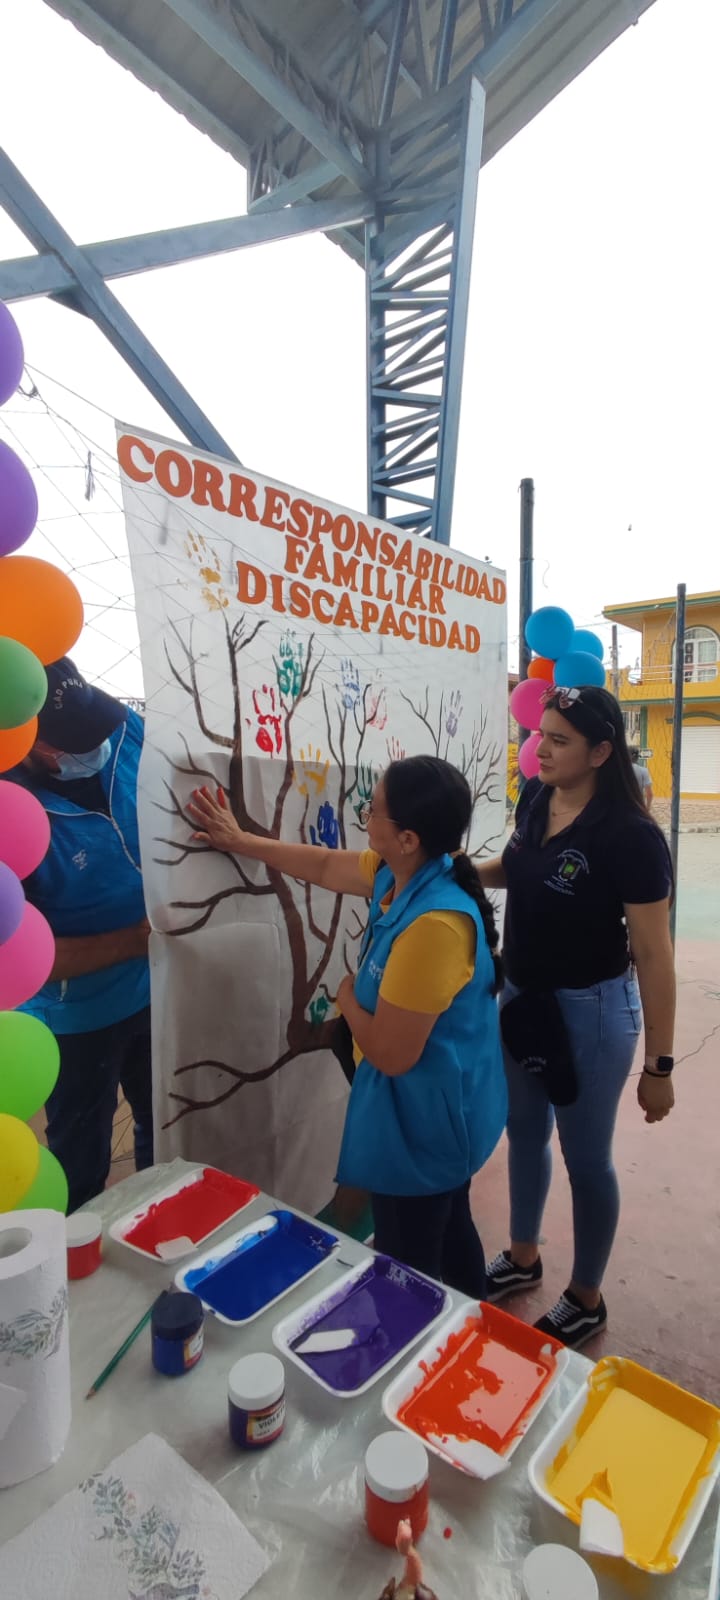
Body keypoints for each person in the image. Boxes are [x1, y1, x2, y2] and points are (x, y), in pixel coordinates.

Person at [188, 755, 507, 1298]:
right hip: (433, 1111)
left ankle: (425, 1340)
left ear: (407, 838)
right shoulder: (401, 873)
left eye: (372, 810)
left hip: (427, 1123)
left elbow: (392, 1054)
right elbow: (321, 864)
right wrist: (241, 841)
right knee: (451, 1226)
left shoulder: (435, 926)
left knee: (407, 1266)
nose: (364, 817)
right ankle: (478, 1324)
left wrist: (346, 998)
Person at [478, 684, 675, 1349]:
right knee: (524, 1134)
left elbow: (654, 956)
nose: (541, 749)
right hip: (522, 996)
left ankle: (586, 1298)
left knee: (586, 1160)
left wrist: (659, 1067)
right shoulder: (538, 796)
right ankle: (522, 1255)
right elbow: (515, 868)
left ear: (600, 752)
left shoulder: (631, 837)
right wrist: (459, 873)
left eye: (560, 741)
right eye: (541, 735)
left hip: (591, 1013)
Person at [11, 657, 153, 1211]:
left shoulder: (124, 731)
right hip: (75, 1018)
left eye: (95, 726)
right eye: (71, 739)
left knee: (166, 1127)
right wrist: (133, 940)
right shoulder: (12, 819)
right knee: (80, 1161)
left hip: (158, 985)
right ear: (25, 742)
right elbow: (25, 958)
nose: (95, 745)